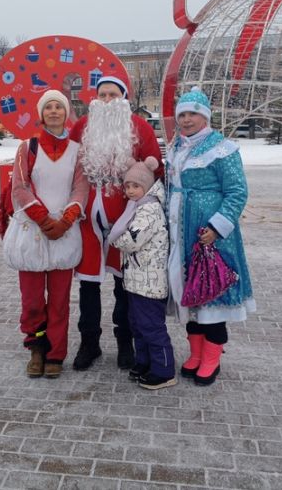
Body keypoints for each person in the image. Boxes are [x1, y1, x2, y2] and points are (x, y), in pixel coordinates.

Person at [70, 75, 164, 371]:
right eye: (102, 95)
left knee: (124, 285)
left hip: (126, 217)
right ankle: (89, 342)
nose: (107, 100)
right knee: (88, 285)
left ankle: (126, 342)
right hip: (88, 219)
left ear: (124, 99)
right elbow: (68, 166)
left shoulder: (140, 127)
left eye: (113, 95)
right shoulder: (83, 127)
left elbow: (155, 169)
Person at [166, 87, 256, 386]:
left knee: (211, 292)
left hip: (210, 237)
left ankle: (211, 358)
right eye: (182, 114)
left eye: (193, 114)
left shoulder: (222, 148)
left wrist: (217, 227)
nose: (187, 120)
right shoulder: (176, 147)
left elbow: (237, 192)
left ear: (205, 117)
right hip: (182, 234)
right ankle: (195, 353)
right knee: (190, 295)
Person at [11, 90, 89, 379]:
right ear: (42, 114)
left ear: (66, 113)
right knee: (32, 299)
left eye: (59, 107)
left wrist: (66, 219)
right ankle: (36, 347)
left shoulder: (77, 151)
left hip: (65, 232)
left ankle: (56, 353)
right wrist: (44, 219)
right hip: (33, 230)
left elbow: (81, 187)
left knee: (59, 300)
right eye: (49, 107)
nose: (54, 111)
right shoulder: (27, 147)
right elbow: (19, 187)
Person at [108, 156, 176, 389]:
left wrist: (115, 237)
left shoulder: (149, 209)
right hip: (137, 280)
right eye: (127, 186)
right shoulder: (137, 206)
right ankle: (144, 361)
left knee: (151, 327)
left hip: (150, 281)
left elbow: (131, 240)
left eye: (135, 186)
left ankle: (164, 370)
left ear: (146, 186)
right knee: (138, 324)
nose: (130, 191)